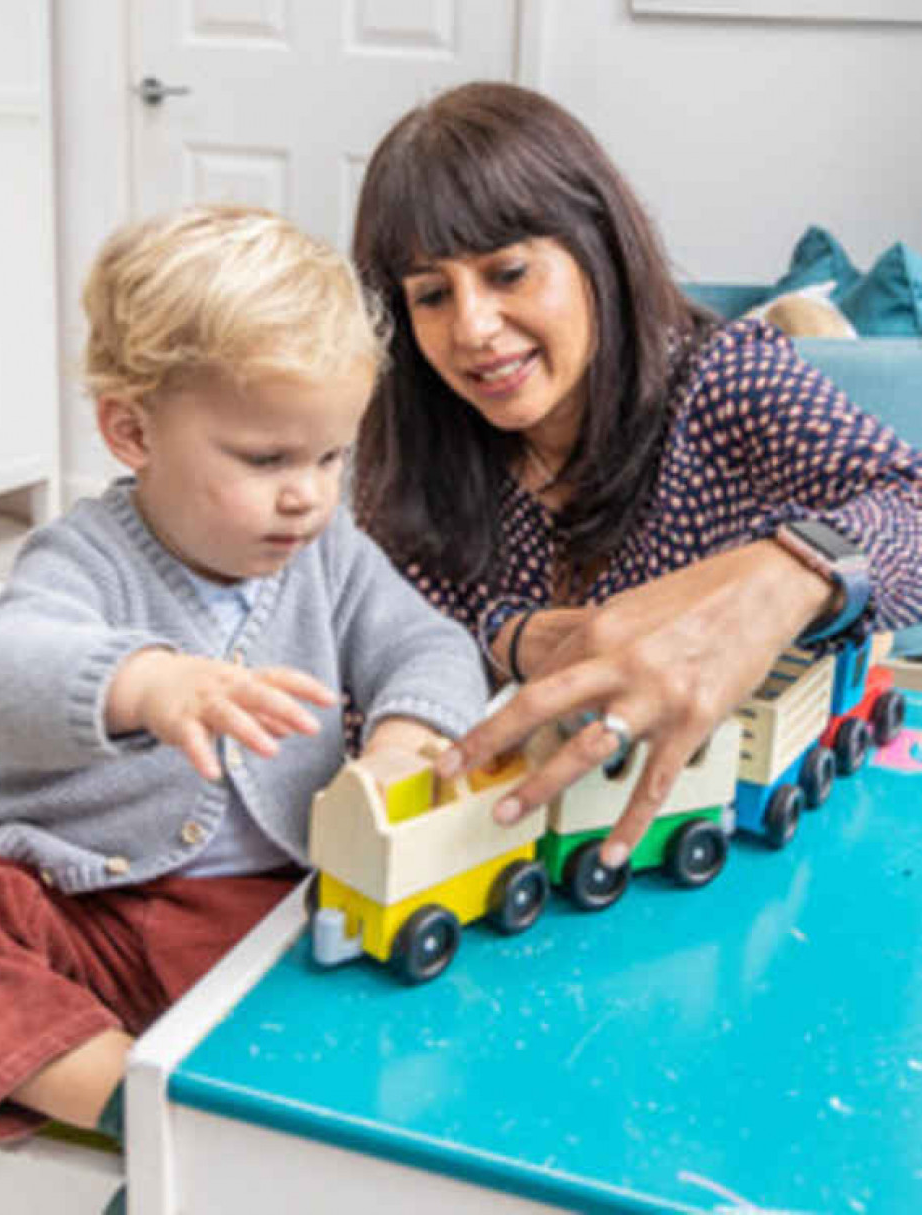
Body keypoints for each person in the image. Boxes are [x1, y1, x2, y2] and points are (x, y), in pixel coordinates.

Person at [0, 205, 486, 1168]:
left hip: (258, 911)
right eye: (265, 459)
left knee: (390, 993)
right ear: (132, 430)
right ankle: (125, 1100)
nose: (306, 492)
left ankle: (228, 1107)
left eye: (328, 456)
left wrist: (401, 737)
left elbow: (429, 645)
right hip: (70, 898)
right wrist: (143, 683)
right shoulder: (84, 555)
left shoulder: (330, 556)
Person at [352, 81, 922, 869]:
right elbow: (383, 652)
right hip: (519, 854)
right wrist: (509, 639)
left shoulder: (722, 379)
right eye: (431, 294)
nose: (472, 329)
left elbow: (911, 501)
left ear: (595, 247)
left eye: (508, 272)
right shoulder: (414, 450)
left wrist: (786, 575)